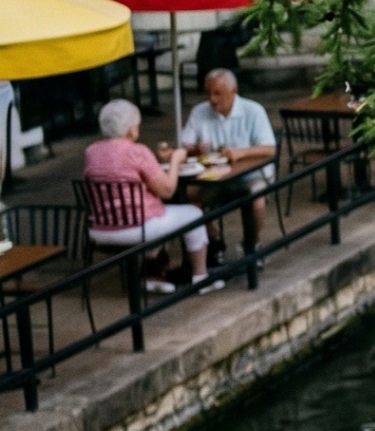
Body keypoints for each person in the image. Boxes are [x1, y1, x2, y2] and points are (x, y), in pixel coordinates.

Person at [83, 98, 216, 293]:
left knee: (160, 214)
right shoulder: (137, 151)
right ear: (130, 130)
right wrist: (175, 162)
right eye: (137, 125)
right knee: (192, 214)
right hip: (137, 228)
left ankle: (152, 276)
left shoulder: (91, 151)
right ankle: (201, 277)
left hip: (100, 230)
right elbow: (168, 190)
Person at [181, 68, 279, 224]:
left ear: (234, 91)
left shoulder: (253, 110)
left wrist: (241, 153)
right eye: (208, 93)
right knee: (189, 200)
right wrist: (194, 150)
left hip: (252, 175)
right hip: (216, 177)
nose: (212, 99)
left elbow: (270, 149)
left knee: (257, 201)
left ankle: (253, 244)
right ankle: (213, 240)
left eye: (218, 93)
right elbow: (185, 145)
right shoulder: (199, 111)